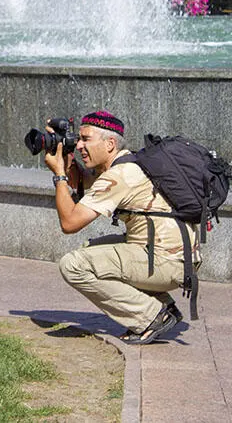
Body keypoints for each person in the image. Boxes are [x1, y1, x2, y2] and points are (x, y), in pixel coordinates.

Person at [44, 110, 195, 345]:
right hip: (172, 257)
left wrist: (59, 175)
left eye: (86, 139)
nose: (80, 145)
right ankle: (163, 306)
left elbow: (70, 223)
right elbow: (83, 185)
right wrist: (67, 158)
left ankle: (151, 317)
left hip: (166, 261)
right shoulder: (130, 164)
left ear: (110, 143)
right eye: (78, 139)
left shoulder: (120, 176)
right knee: (89, 249)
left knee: (74, 265)